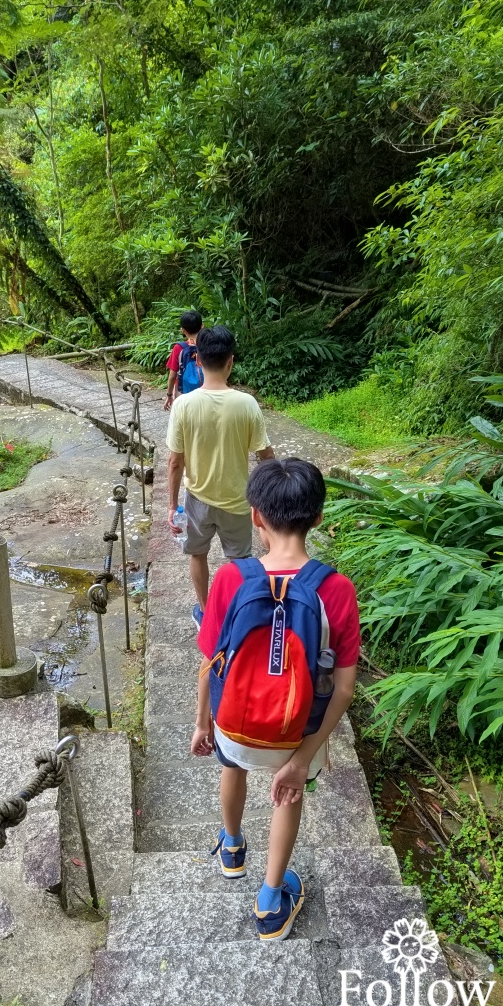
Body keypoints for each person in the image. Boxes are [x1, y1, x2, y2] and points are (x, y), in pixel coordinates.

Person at [191, 458, 359, 941]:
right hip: (297, 731)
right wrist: (303, 760)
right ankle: (269, 901)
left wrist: (203, 723)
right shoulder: (337, 590)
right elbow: (344, 688)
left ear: (256, 516)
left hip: (235, 723)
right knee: (288, 793)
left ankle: (232, 848)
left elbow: (209, 661)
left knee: (232, 766)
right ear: (318, 517)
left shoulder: (228, 580)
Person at [166, 324, 274, 627]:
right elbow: (265, 455)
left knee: (197, 555)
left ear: (197, 359)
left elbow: (175, 462)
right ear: (231, 361)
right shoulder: (246, 404)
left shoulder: (183, 405)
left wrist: (172, 506)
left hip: (197, 499)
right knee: (240, 562)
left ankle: (206, 613)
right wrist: (267, 498)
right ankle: (237, 616)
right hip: (238, 500)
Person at [164, 310, 202, 411]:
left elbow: (172, 376)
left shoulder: (179, 348)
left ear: (183, 330)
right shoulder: (209, 345)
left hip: (183, 394)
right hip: (206, 392)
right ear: (202, 326)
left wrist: (169, 395)